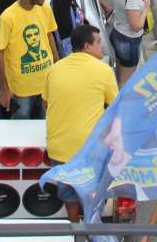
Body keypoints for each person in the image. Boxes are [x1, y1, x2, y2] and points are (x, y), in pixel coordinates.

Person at [43, 23, 117, 221]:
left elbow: (46, 103)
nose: (102, 47)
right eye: (98, 42)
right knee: (93, 194)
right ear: (86, 47)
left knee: (68, 195)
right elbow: (115, 108)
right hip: (89, 149)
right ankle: (92, 229)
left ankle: (74, 228)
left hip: (59, 148)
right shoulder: (104, 71)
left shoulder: (53, 70)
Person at [0, 0, 58, 119]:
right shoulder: (8, 17)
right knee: (21, 130)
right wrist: (4, 89)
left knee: (45, 126)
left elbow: (49, 35)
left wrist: (57, 65)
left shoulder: (45, 8)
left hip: (45, 84)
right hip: (20, 89)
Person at [109, 0, 149, 85]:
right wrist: (146, 7)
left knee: (118, 74)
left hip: (117, 33)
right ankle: (121, 103)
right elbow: (136, 26)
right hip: (128, 41)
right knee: (126, 82)